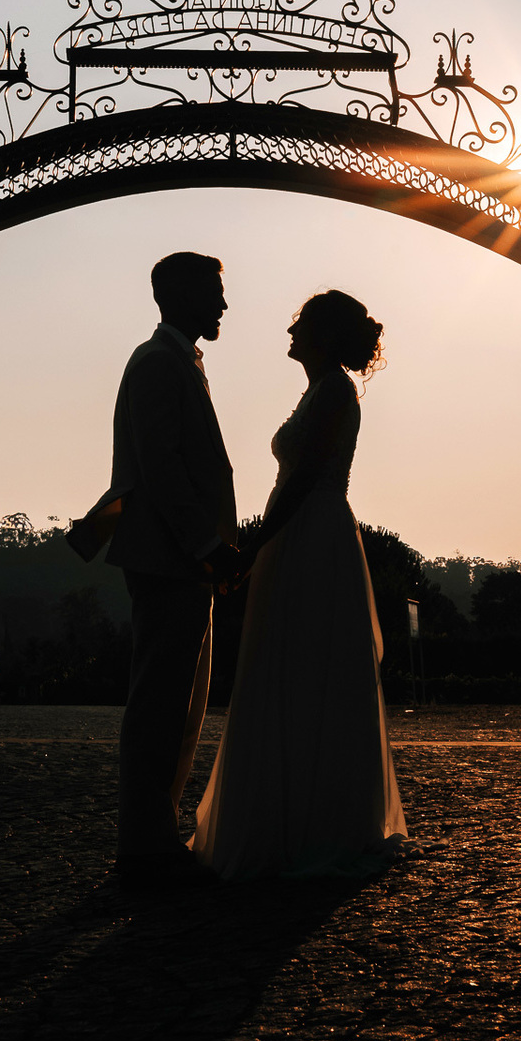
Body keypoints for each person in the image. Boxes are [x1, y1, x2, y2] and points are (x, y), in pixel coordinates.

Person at [190, 290, 407, 880]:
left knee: (305, 667)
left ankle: (313, 821)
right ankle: (297, 813)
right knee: (291, 667)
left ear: (322, 336)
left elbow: (306, 476)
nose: (289, 333)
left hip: (313, 536)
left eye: (300, 325)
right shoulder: (321, 389)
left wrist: (253, 547)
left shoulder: (333, 391)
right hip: (303, 534)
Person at [68, 252, 242, 891]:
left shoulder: (175, 362)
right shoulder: (156, 364)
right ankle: (143, 844)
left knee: (181, 704)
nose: (224, 306)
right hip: (170, 558)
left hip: (183, 559)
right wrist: (208, 545)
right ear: (182, 295)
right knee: (160, 704)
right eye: (215, 293)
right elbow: (162, 469)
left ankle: (155, 834)